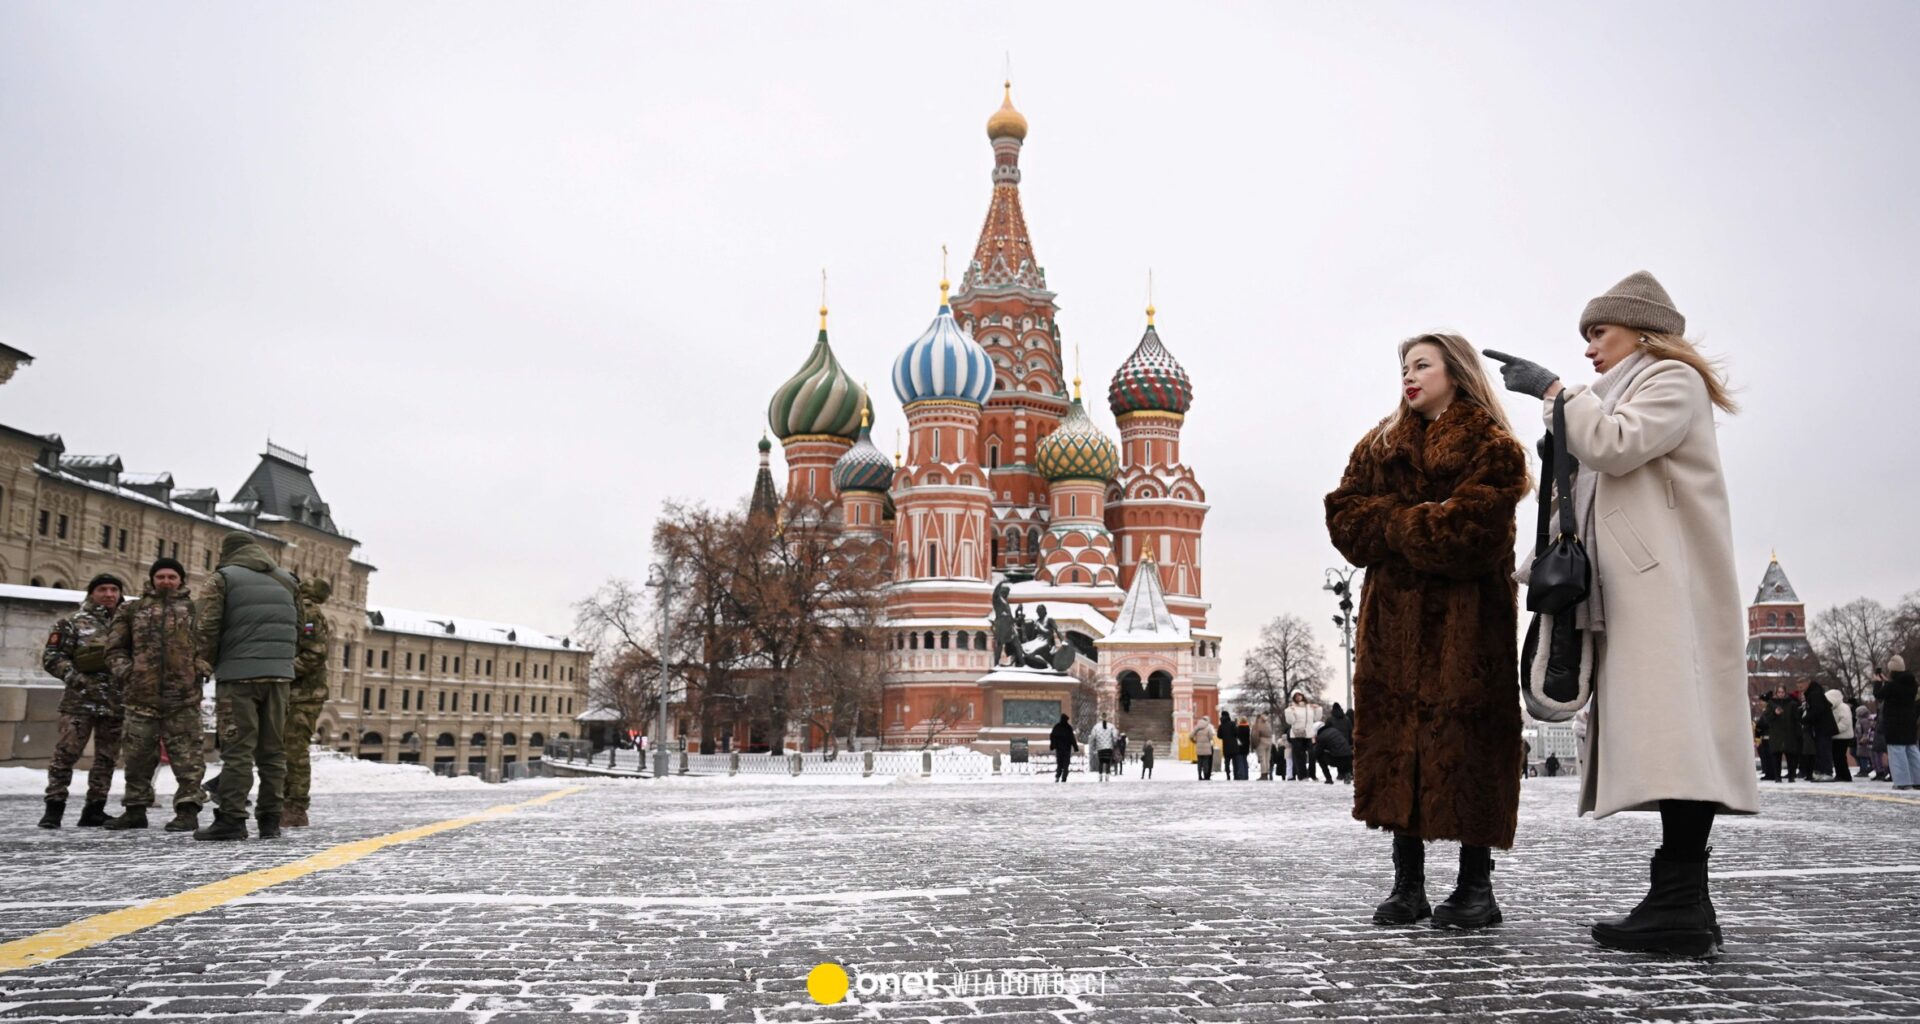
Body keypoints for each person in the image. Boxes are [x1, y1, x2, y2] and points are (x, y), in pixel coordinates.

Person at [1488, 271, 1760, 956]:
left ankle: (1682, 901)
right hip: (1643, 592)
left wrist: (1556, 395)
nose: (1587, 350)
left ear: (1643, 330)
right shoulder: (1622, 395)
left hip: (1672, 594)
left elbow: (1616, 446)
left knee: (1681, 740)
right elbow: (1591, 488)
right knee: (1671, 740)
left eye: (1597, 333)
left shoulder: (1672, 381)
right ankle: (1681, 899)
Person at [1327, 332, 1529, 932]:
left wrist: (1391, 524)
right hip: (1392, 627)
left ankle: (1476, 886)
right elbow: (1344, 519)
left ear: (1455, 372)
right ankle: (1407, 884)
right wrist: (1414, 525)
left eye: (1422, 366)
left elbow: (1474, 534)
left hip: (1466, 627)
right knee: (1399, 746)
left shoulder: (1494, 447)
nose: (1409, 377)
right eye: (1404, 367)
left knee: (1466, 745)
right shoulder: (1381, 443)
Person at [193, 532, 301, 841]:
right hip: (279, 677)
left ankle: (232, 818)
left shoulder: (222, 578)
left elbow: (206, 625)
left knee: (238, 750)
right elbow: (299, 627)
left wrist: (206, 662)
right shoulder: (287, 580)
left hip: (238, 676)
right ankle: (269, 821)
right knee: (273, 752)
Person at [101, 558, 210, 832]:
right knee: (137, 757)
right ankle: (135, 810)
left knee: (188, 759)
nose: (166, 581)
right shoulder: (132, 609)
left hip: (183, 698)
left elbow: (211, 647)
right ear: (152, 579)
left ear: (181, 580)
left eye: (172, 576)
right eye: (160, 576)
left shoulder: (195, 611)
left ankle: (187, 810)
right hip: (141, 698)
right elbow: (114, 649)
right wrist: (128, 672)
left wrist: (201, 668)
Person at [39, 574, 126, 829]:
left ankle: (94, 809)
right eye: (102, 589)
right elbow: (52, 658)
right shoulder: (71, 623)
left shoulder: (126, 625)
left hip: (115, 703)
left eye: (114, 589)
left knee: (106, 758)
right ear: (91, 593)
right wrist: (78, 678)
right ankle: (54, 808)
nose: (109, 594)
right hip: (79, 702)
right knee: (66, 754)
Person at [281, 577, 333, 828]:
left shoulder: (308, 612)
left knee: (294, 750)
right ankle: (284, 803)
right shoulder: (295, 609)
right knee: (283, 749)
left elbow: (314, 653)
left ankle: (295, 807)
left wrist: (284, 671)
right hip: (291, 692)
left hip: (304, 694)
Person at [1879, 657, 1918, 789]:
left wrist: (1878, 683)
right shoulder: (1912, 683)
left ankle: (1902, 782)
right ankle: (1918, 780)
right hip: (1909, 721)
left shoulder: (1892, 685)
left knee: (1897, 752)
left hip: (1894, 723)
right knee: (1912, 750)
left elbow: (1879, 694)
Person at [1284, 692, 1319, 782]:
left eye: (1299, 695)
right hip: (1296, 734)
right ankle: (1302, 776)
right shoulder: (1292, 707)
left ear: (1303, 696)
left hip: (1308, 733)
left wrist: (1318, 709)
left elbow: (1316, 719)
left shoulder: (1309, 707)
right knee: (1300, 756)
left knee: (1312, 754)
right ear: (1294, 698)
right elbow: (1290, 721)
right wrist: (1289, 712)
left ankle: (1312, 774)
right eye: (1296, 696)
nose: (1298, 697)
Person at [1828, 685, 1855, 783]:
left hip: (1843, 736)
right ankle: (1840, 774)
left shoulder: (1843, 708)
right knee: (1837, 757)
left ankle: (1845, 775)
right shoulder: (1833, 708)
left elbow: (1845, 722)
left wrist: (1835, 730)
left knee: (1840, 756)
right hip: (1836, 736)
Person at [1089, 714, 1119, 782]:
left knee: (1101, 762)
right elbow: (1115, 736)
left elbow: (1093, 737)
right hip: (1109, 747)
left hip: (1100, 747)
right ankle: (1107, 776)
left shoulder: (1096, 726)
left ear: (1101, 718)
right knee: (1108, 762)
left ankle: (1100, 776)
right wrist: (1114, 743)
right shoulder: (1111, 726)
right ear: (1107, 718)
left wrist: (1093, 746)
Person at [1049, 714, 1076, 783]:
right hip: (1067, 749)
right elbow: (1072, 738)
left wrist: (1052, 746)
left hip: (1059, 749)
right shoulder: (1068, 727)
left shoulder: (1057, 727)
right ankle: (1064, 778)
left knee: (1059, 763)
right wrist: (1075, 747)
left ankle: (1058, 776)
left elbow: (1052, 737)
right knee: (1066, 764)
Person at [1190, 716, 1216, 780]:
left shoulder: (1197, 727)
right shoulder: (1208, 728)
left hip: (1199, 748)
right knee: (1206, 763)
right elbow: (1211, 737)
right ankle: (1206, 776)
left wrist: (1195, 741)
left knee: (1199, 762)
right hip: (1207, 748)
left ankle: (1199, 775)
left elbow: (1190, 736)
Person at [1252, 713, 1275, 780]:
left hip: (1261, 742)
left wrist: (1255, 744)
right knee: (1267, 759)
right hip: (1269, 741)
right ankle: (1267, 773)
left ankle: (1263, 774)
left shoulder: (1258, 724)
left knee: (1262, 759)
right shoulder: (1267, 723)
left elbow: (1254, 735)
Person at [1217, 710, 1238, 782]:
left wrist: (1225, 736)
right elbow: (1236, 733)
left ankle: (1228, 775)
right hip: (1234, 746)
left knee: (1227, 762)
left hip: (1226, 746)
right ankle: (1235, 775)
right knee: (1235, 762)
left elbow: (1219, 736)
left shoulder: (1221, 725)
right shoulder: (1232, 724)